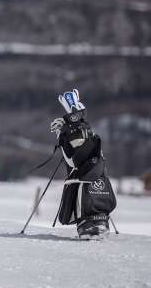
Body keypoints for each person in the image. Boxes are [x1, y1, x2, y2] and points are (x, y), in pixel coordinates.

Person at [50, 89, 117, 238]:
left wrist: (61, 133)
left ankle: (89, 223)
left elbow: (72, 161)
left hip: (83, 170)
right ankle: (99, 220)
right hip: (96, 170)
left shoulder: (76, 131)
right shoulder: (86, 130)